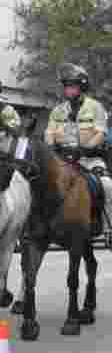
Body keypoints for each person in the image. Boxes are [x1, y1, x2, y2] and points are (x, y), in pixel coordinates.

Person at [45, 63, 112, 241]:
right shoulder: (58, 110)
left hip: (90, 159)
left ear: (82, 87)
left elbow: (100, 133)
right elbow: (49, 133)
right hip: (63, 160)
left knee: (107, 185)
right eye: (66, 86)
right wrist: (51, 146)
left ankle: (108, 229)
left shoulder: (96, 107)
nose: (68, 90)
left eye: (72, 86)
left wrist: (86, 148)